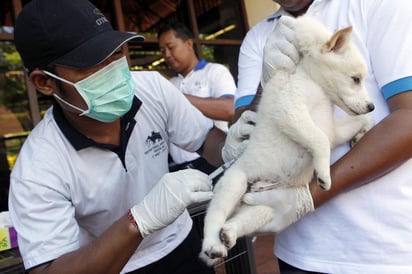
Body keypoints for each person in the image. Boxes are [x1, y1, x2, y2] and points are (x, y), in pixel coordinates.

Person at [7, 0, 254, 273]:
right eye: (92, 62)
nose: (113, 68)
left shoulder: (151, 89)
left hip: (182, 246)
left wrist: (230, 148)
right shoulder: (38, 167)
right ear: (45, 82)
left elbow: (205, 139)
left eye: (115, 52)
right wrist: (138, 221)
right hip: (114, 265)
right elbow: (49, 269)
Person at [234, 0, 412, 273]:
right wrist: (266, 84)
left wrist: (308, 197)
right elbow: (246, 140)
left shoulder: (377, 5)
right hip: (298, 252)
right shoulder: (258, 37)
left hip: (385, 251)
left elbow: (409, 118)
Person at [157, 22, 236, 174]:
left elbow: (230, 109)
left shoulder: (214, 72)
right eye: (162, 50)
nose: (166, 54)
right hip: (180, 170)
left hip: (215, 161)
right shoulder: (170, 84)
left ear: (188, 43)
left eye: (171, 47)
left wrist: (178, 98)